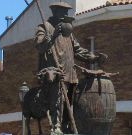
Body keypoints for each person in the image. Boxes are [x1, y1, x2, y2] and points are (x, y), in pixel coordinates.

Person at [34, 1, 104, 134]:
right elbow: (39, 46)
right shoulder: (45, 26)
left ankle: (66, 127)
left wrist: (92, 57)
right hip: (56, 74)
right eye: (64, 11)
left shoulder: (68, 32)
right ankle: (56, 128)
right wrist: (53, 35)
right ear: (55, 11)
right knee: (57, 102)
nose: (66, 14)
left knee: (69, 104)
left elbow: (77, 50)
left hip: (70, 74)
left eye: (67, 12)